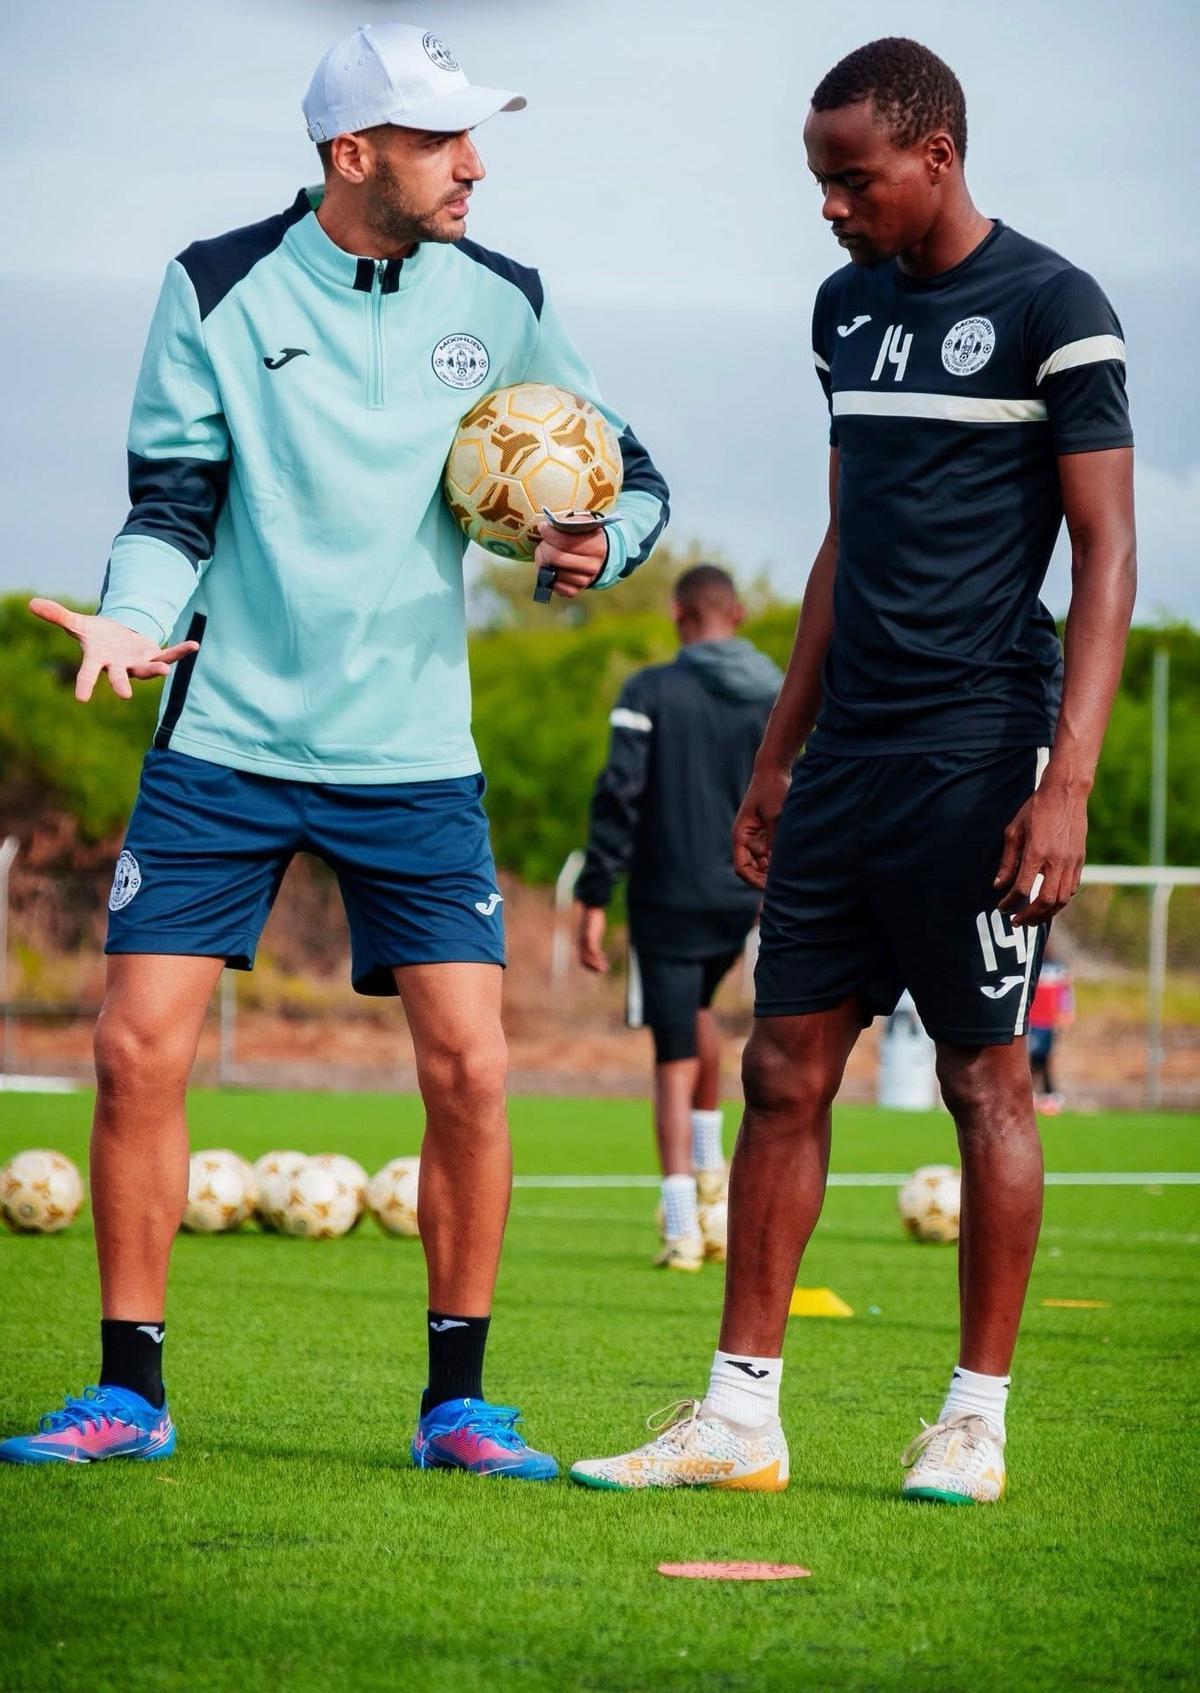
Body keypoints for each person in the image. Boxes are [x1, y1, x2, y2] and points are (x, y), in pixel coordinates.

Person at [1, 21, 667, 1474]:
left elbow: (639, 474)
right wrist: (127, 620)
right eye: (442, 141)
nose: (474, 165)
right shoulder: (214, 287)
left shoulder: (506, 301)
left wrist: (600, 542)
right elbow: (172, 499)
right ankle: (128, 1391)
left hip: (414, 751)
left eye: (477, 138)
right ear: (352, 154)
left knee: (474, 1072)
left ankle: (458, 1406)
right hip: (225, 733)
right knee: (132, 1052)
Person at [571, 37, 1134, 1503]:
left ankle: (973, 1418)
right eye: (819, 180)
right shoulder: (843, 312)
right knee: (778, 1068)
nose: (830, 207)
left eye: (851, 179)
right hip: (849, 758)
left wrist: (1065, 778)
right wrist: (775, 754)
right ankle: (739, 1415)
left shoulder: (1056, 309)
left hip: (978, 752)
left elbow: (1108, 551)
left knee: (981, 1076)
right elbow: (844, 542)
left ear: (935, 157)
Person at [574, 566, 782, 1270]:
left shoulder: (651, 690)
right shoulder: (778, 693)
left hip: (666, 895)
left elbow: (619, 792)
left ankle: (680, 1224)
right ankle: (710, 1163)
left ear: (677, 614)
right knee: (698, 1012)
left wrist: (594, 893)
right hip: (744, 895)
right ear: (740, 612)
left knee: (670, 1052)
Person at [1028, 955, 1075, 1113]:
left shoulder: (1058, 968)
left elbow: (1066, 992)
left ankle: (1050, 1094)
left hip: (1047, 1022)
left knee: (1042, 1058)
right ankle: (1038, 1094)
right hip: (1031, 1021)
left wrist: (1066, 1012)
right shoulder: (1029, 961)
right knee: (1033, 1058)